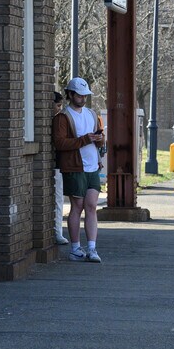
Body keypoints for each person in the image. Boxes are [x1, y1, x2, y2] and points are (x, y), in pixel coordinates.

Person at [52, 76, 107, 263]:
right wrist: (85, 139)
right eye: (80, 95)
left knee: (91, 206)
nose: (83, 98)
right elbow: (59, 143)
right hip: (74, 167)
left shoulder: (91, 114)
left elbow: (100, 138)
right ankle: (75, 248)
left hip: (92, 165)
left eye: (85, 95)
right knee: (77, 207)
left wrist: (100, 140)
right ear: (71, 94)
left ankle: (92, 248)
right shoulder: (62, 117)